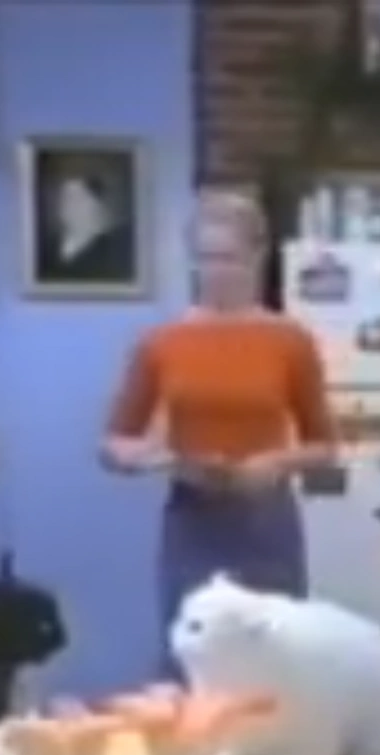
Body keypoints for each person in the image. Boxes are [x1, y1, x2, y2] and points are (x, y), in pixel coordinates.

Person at [100, 192, 336, 666]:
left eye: (228, 258)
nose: (216, 271)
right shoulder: (161, 343)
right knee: (192, 658)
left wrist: (275, 461)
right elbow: (114, 441)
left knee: (276, 658)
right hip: (193, 519)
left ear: (256, 257)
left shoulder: (289, 341)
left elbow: (325, 445)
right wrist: (149, 457)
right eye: (205, 258)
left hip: (265, 522)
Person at [37, 171, 135, 284]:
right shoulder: (46, 245)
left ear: (95, 205)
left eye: (77, 199)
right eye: (64, 198)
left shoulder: (111, 251)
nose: (67, 205)